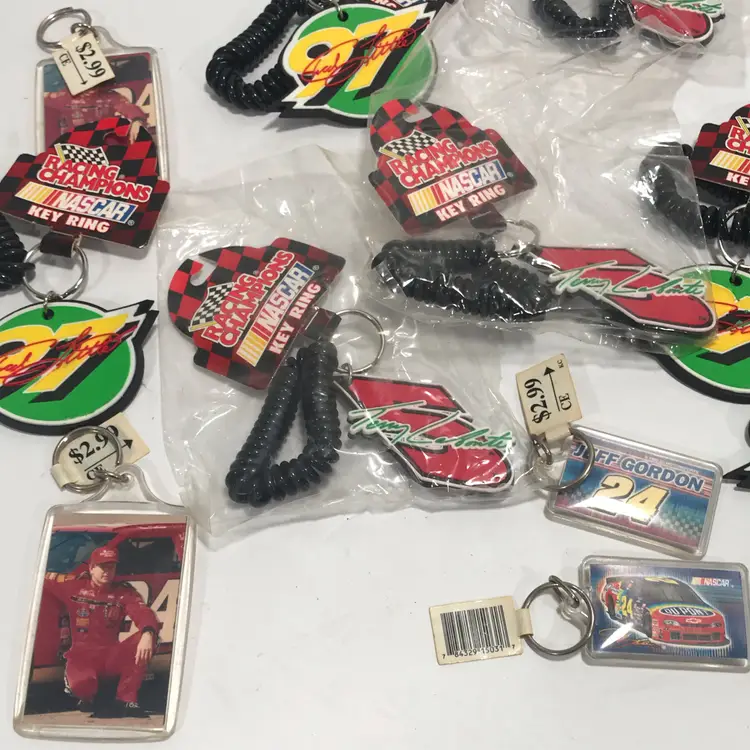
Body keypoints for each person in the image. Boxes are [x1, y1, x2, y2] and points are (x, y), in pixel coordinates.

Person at [42, 546, 160, 718]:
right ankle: (88, 696)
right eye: (103, 566)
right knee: (82, 685)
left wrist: (148, 633)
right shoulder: (73, 586)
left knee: (149, 636)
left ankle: (126, 699)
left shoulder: (123, 592)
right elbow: (41, 578)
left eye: (111, 567)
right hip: (82, 656)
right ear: (91, 568)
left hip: (110, 654)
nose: (107, 571)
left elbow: (143, 613)